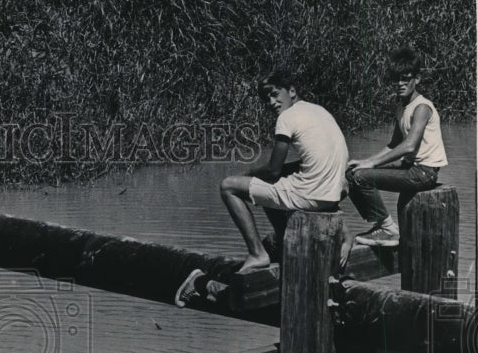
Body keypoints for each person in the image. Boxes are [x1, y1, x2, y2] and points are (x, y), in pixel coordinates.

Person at [176, 70, 349, 307]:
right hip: (331, 195)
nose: (271, 103)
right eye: (266, 99)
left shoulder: (287, 118)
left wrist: (247, 174)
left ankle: (258, 253)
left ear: (291, 91)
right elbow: (315, 161)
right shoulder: (319, 111)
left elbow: (273, 170)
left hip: (310, 196)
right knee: (276, 181)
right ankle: (282, 240)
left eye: (275, 95)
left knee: (228, 186)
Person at [346, 47, 448, 247]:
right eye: (396, 79)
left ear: (417, 79)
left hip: (424, 173)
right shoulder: (402, 107)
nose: (400, 84)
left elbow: (409, 145)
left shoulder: (422, 107)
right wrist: (366, 162)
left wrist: (372, 164)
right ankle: (384, 226)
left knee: (360, 177)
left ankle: (388, 229)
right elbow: (394, 144)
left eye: (406, 79)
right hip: (410, 168)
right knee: (352, 173)